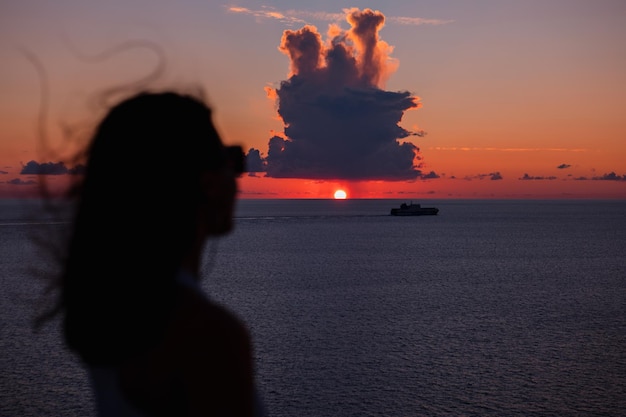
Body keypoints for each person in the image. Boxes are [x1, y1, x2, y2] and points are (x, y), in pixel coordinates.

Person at [39, 90, 263, 416]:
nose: (238, 177)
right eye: (232, 161)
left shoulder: (106, 310)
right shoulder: (207, 335)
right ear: (209, 183)